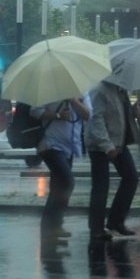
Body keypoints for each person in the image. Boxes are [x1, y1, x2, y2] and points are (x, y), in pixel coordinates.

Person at [87, 78, 140, 246]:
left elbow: (120, 117)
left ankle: (116, 221)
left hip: (119, 143)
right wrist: (107, 146)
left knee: (131, 178)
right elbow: (96, 120)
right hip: (100, 146)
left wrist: (133, 112)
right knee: (101, 186)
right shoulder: (99, 91)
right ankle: (96, 228)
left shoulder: (121, 91)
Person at [32, 94, 90, 243]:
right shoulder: (49, 89)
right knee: (67, 182)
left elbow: (88, 114)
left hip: (70, 147)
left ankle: (51, 227)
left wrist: (73, 100)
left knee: (58, 187)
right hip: (50, 144)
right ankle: (52, 225)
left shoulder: (82, 92)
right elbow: (35, 111)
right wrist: (57, 115)